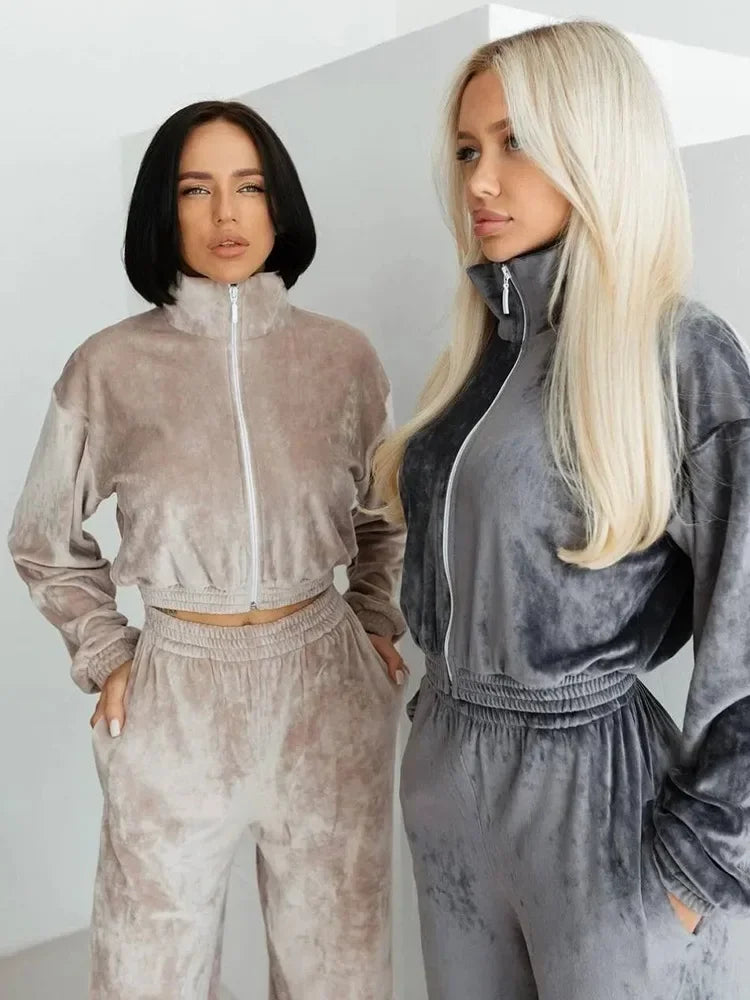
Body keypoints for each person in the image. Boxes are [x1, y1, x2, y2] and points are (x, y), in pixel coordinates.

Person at [372, 21, 745, 999]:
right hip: (449, 783)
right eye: (467, 150)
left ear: (597, 144)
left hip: (598, 810)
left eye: (516, 142)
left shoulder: (680, 356)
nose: (481, 182)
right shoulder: (476, 358)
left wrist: (707, 856)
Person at [8, 99, 407, 1000]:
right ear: (165, 206)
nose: (227, 214)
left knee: (340, 973)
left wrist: (374, 617)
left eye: (249, 187)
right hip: (177, 699)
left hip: (324, 691)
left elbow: (387, 514)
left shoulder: (343, 359)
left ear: (279, 204)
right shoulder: (108, 366)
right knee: (147, 975)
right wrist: (107, 650)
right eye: (197, 190)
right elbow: (42, 534)